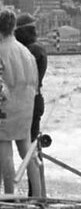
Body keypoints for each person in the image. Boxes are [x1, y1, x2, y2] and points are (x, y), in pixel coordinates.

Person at [0, 7, 39, 195]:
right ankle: (38, 196)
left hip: (6, 109)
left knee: (5, 155)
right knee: (28, 154)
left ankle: (9, 196)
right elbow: (36, 83)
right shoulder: (26, 52)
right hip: (26, 107)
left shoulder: (1, 51)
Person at [13, 12, 47, 197]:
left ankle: (36, 192)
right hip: (34, 101)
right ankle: (37, 191)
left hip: (30, 102)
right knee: (32, 147)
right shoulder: (35, 49)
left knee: (31, 148)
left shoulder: (32, 51)